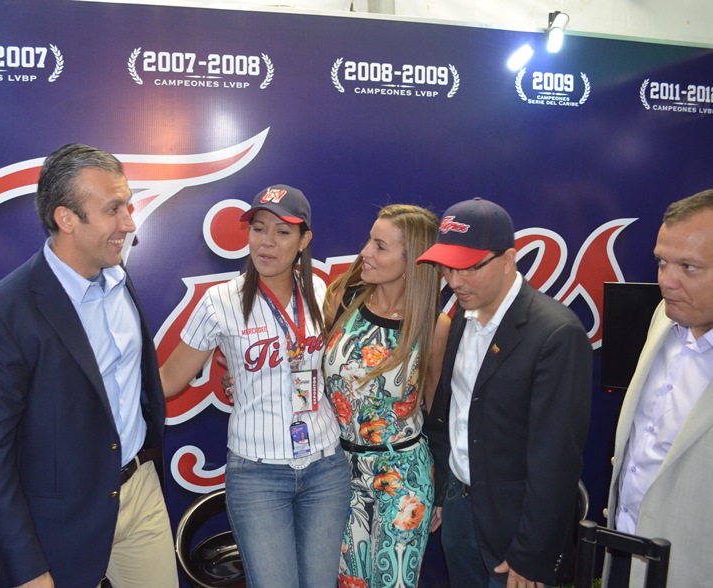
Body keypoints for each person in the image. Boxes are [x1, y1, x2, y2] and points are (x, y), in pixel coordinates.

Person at [0, 144, 175, 588]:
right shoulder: (2, 313)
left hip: (141, 492)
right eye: (113, 209)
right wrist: (24, 568)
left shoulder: (118, 277)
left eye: (128, 205)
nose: (129, 223)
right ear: (66, 219)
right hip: (63, 519)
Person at [161, 184, 350, 588]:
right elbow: (169, 379)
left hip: (325, 467)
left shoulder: (319, 290)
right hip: (258, 474)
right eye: (258, 228)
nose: (266, 242)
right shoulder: (220, 302)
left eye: (282, 232)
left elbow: (329, 369)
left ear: (304, 241)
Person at [417, 197, 592, 588]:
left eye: (470, 267)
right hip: (460, 512)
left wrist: (533, 553)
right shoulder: (462, 316)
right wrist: (444, 492)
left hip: (516, 533)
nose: (455, 281)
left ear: (509, 259)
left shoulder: (555, 334)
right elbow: (452, 411)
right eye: (447, 267)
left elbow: (556, 459)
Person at [323, 204, 450, 588]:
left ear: (412, 261)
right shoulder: (342, 298)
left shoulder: (433, 325)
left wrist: (440, 491)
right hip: (339, 474)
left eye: (380, 246)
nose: (365, 252)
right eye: (369, 240)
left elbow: (437, 411)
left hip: (404, 476)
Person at [604, 189, 713, 587]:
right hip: (622, 553)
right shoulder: (664, 318)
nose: (666, 281)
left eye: (688, 267)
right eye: (662, 262)